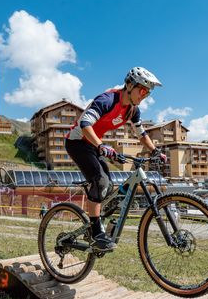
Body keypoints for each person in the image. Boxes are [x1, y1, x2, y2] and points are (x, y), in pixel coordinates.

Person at [65, 67, 167, 252]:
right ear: (129, 85)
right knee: (100, 182)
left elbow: (141, 133)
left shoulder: (132, 110)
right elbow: (85, 123)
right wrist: (101, 146)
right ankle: (96, 233)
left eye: (147, 93)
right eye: (142, 90)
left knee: (109, 185)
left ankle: (96, 220)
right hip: (77, 142)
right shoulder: (107, 100)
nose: (144, 96)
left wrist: (154, 150)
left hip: (94, 144)